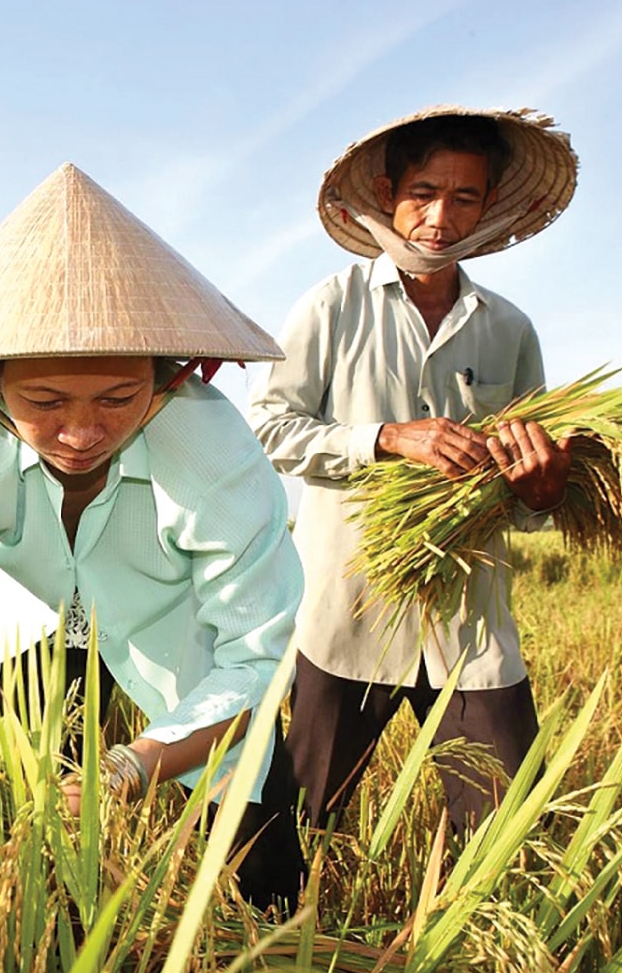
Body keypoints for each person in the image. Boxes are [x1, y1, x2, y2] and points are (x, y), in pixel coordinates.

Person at [0, 163, 306, 910]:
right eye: (43, 401)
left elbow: (256, 660)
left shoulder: (214, 455)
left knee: (253, 876)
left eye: (119, 398)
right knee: (5, 847)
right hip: (40, 632)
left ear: (170, 379)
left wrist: (139, 763)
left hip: (181, 641)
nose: (81, 433)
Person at [247, 106, 580, 832]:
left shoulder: (508, 327)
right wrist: (387, 439)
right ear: (388, 192)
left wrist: (541, 491)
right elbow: (268, 429)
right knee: (301, 827)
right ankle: (292, 943)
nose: (439, 216)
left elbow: (523, 500)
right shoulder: (332, 307)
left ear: (489, 207)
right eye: (424, 192)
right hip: (348, 612)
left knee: (508, 834)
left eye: (465, 198)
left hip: (470, 621)